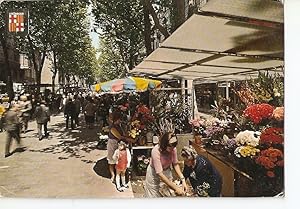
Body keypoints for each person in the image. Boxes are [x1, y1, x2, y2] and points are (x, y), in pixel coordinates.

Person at [144, 132, 188, 197]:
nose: (172, 149)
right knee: (153, 196)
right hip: (154, 174)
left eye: (174, 147)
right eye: (170, 147)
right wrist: (176, 188)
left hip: (167, 171)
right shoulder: (155, 151)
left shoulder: (173, 149)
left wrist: (183, 179)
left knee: (167, 193)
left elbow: (175, 164)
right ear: (164, 144)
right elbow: (160, 174)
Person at [107, 111, 134, 182]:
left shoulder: (119, 126)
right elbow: (119, 136)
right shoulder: (112, 127)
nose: (120, 121)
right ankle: (113, 175)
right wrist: (129, 139)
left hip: (119, 144)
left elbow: (123, 134)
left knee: (119, 159)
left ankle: (118, 173)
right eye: (119, 119)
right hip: (113, 144)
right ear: (116, 119)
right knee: (111, 160)